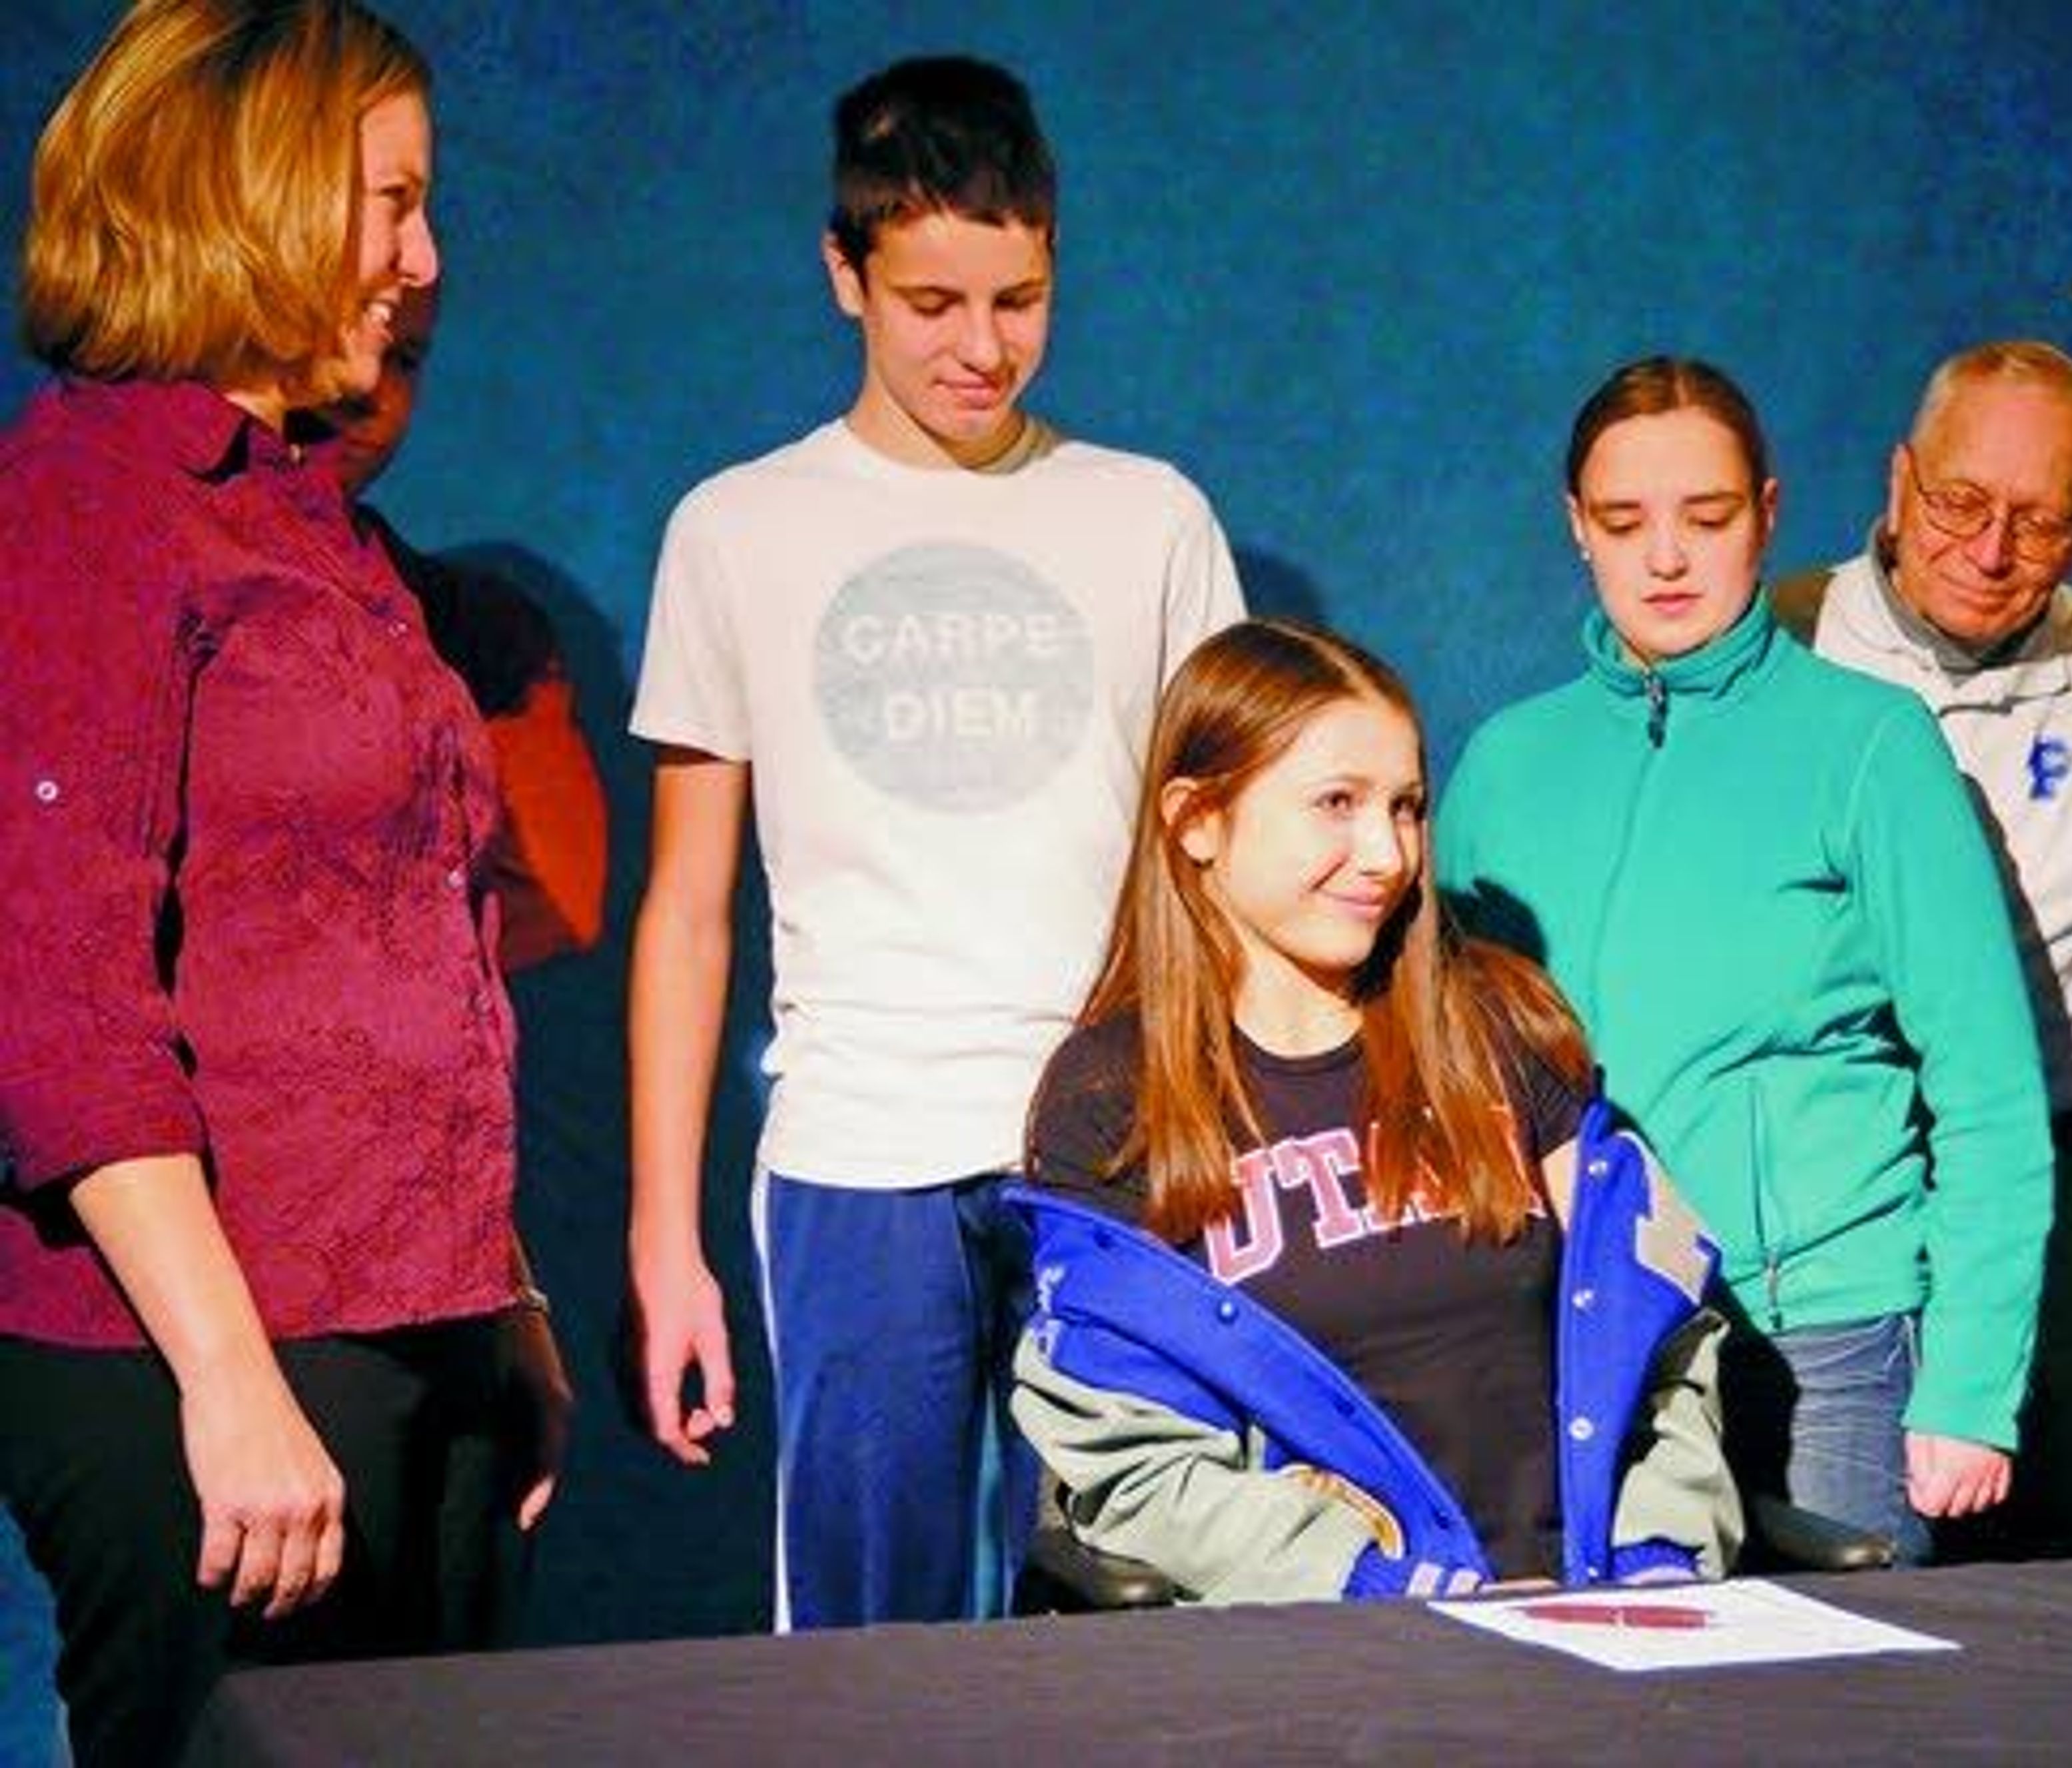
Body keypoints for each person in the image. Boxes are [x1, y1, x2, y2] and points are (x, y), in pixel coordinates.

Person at [0, 6, 568, 1763]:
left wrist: (513, 1293)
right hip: (217, 1348)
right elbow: (55, 989)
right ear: (242, 195)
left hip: (424, 1322)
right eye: (389, 204)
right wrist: (228, 1381)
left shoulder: (321, 530)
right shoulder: (88, 509)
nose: (426, 262)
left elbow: (427, 953)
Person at [626, 55, 1244, 1629]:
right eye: (933, 303)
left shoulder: (1149, 516)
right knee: (865, 1638)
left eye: (1019, 299)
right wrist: (661, 1237)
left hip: (1107, 1146)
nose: (983, 348)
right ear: (843, 275)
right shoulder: (736, 528)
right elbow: (687, 910)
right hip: (856, 1159)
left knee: (1130, 1610)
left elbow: (1221, 866)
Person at [1435, 355, 2053, 1567]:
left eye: (1706, 517)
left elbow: (1988, 1089)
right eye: (1625, 521)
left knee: (1838, 1713)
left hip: (1823, 1337)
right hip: (1593, 1335)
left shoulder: (1871, 746)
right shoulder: (1508, 763)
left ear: (1768, 513)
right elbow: (1441, 1058)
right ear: (1577, 529)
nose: (1666, 556)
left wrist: (1971, 1383)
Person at [1013, 618, 1744, 1601]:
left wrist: (1658, 1558)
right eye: (1336, 804)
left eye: (1406, 807)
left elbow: (1663, 1334)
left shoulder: (1501, 1023)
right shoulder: (1107, 1097)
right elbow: (1139, 1465)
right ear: (1197, 821)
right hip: (1331, 1652)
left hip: (1591, 1613)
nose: (1386, 854)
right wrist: (1369, 1586)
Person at [1779, 340, 2072, 1559]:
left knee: (2050, 1553)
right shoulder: (1784, 644)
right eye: (1959, 501)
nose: (1988, 547)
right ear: (1899, 478)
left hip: (2049, 1170)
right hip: (1838, 1168)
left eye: (2039, 519)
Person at [328, 284, 608, 973]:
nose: (366, 384)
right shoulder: (130, 572)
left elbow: (559, 901)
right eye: (326, 340)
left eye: (404, 358)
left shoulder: (481, 630)